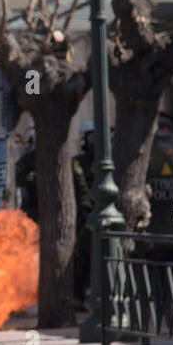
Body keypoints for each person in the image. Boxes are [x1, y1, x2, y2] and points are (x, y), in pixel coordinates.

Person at [72, 119, 96, 307]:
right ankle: (78, 296)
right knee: (81, 256)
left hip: (104, 215)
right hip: (85, 217)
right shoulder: (79, 162)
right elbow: (81, 189)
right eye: (92, 137)